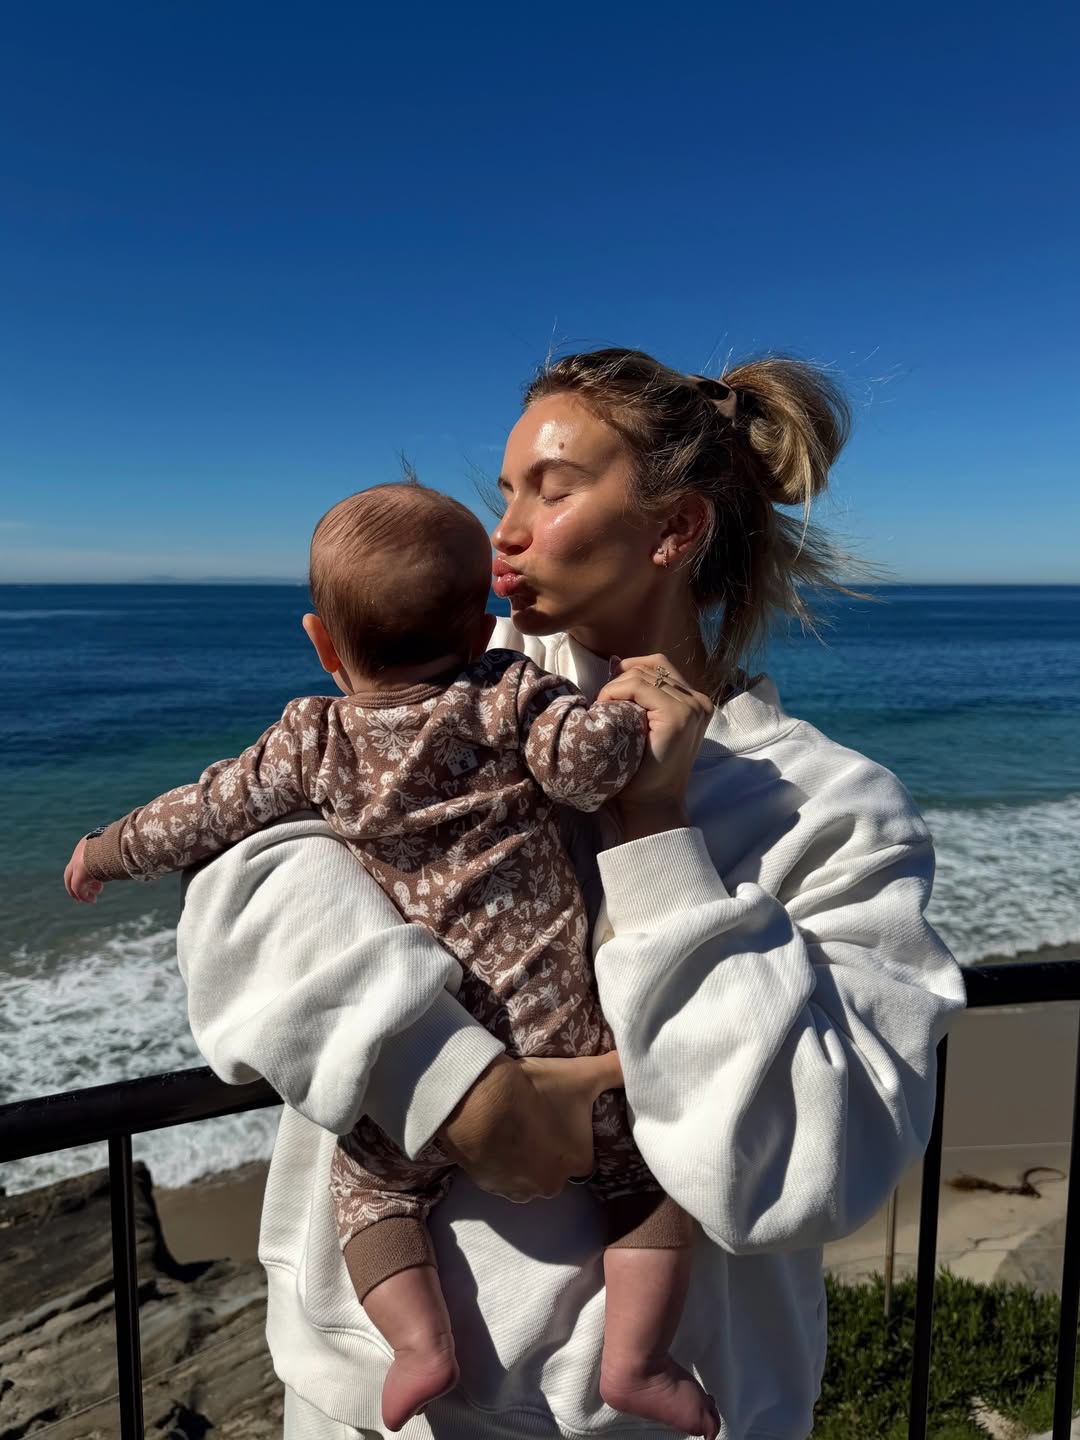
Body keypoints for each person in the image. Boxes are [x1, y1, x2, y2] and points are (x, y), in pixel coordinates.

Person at [175, 348, 966, 1440]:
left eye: (551, 490)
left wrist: (656, 834)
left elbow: (808, 1168)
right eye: (505, 491)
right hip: (365, 1408)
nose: (501, 530)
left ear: (673, 528)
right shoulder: (434, 704)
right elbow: (238, 886)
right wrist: (454, 1086)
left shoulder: (829, 807)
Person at [63, 482, 711, 1435]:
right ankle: (638, 1361)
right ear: (483, 628)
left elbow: (204, 813)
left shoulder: (313, 738)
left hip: (430, 1046)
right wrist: (623, 709)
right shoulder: (509, 692)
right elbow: (589, 772)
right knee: (644, 1183)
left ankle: (419, 1348)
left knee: (368, 1195)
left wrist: (106, 850)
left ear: (322, 643)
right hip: (564, 1033)